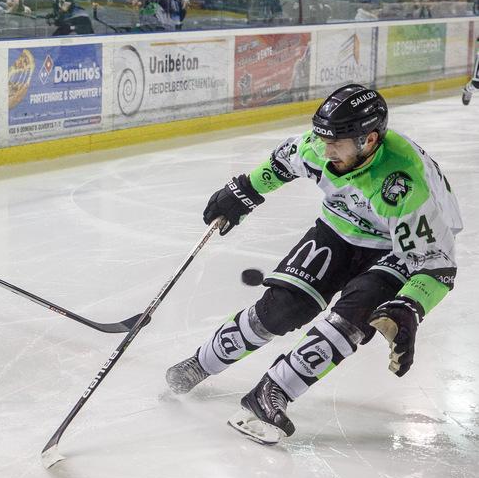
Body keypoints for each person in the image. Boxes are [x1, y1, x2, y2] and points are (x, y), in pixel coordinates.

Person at [165, 84, 461, 444]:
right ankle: (202, 363)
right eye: (322, 138)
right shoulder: (318, 146)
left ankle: (272, 391)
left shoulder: (405, 185)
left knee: (355, 316)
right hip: (339, 228)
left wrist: (411, 305)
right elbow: (281, 164)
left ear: (369, 140)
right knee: (281, 308)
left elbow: (437, 263)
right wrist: (244, 191)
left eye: (335, 142)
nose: (325, 149)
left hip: (396, 247)